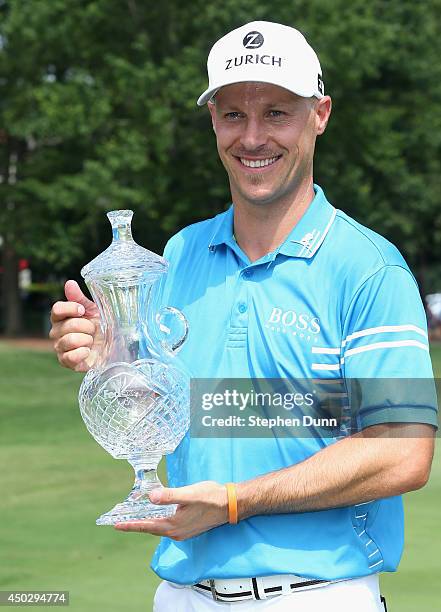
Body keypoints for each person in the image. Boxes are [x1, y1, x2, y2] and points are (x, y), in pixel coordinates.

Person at [50, 21, 437, 612]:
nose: (252, 137)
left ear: (320, 114)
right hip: (181, 595)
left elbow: (402, 451)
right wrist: (114, 362)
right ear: (213, 122)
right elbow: (202, 409)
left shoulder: (369, 269)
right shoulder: (177, 257)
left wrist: (234, 501)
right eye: (233, 115)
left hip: (318, 598)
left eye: (277, 113)